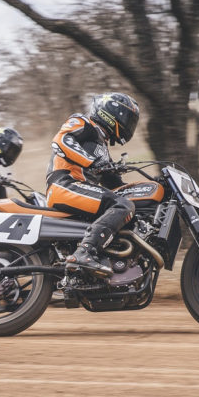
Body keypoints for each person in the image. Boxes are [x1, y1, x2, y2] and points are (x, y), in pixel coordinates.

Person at [45, 93, 141, 278]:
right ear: (113, 113)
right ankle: (85, 252)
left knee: (127, 202)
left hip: (80, 189)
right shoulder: (83, 123)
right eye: (127, 118)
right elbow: (61, 140)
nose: (129, 124)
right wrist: (91, 162)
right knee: (122, 205)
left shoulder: (102, 148)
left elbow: (116, 185)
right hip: (64, 184)